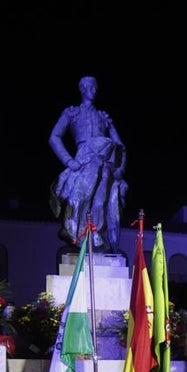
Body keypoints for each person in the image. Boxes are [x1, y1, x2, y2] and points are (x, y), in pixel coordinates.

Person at [49, 76, 127, 250]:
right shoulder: (73, 113)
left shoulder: (102, 117)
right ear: (82, 89)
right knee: (79, 197)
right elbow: (54, 137)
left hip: (104, 162)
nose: (94, 90)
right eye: (90, 86)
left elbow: (119, 145)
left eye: (95, 87)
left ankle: (95, 236)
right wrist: (68, 160)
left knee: (100, 201)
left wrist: (120, 167)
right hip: (83, 159)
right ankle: (75, 233)